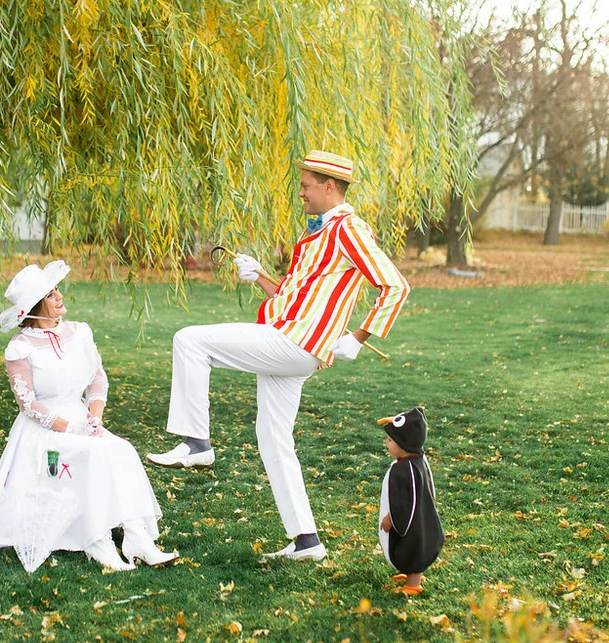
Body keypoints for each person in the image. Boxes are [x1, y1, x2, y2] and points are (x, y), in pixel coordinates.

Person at [146, 150, 411, 561]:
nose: (300, 193)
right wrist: (260, 276)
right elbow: (293, 298)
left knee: (189, 341)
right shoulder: (317, 233)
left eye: (306, 186)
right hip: (293, 340)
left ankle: (196, 442)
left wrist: (359, 337)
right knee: (273, 439)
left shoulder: (348, 229)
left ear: (329, 187)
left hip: (294, 344)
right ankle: (307, 540)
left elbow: (395, 286)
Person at [0, 260, 178, 572]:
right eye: (50, 294)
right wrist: (69, 427)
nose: (59, 296)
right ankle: (97, 541)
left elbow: (97, 379)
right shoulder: (20, 348)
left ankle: (137, 538)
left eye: (56, 289)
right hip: (43, 430)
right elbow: (28, 403)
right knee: (93, 454)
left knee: (122, 449)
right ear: (35, 306)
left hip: (82, 419)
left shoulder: (80, 332)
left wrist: (94, 417)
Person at [377, 406, 443, 595]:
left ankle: (413, 584)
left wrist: (392, 518)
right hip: (424, 520)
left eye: (390, 440)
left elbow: (405, 501)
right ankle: (411, 576)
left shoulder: (404, 470)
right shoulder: (418, 461)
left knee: (412, 548)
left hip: (415, 526)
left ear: (403, 444)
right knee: (413, 546)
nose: (386, 443)